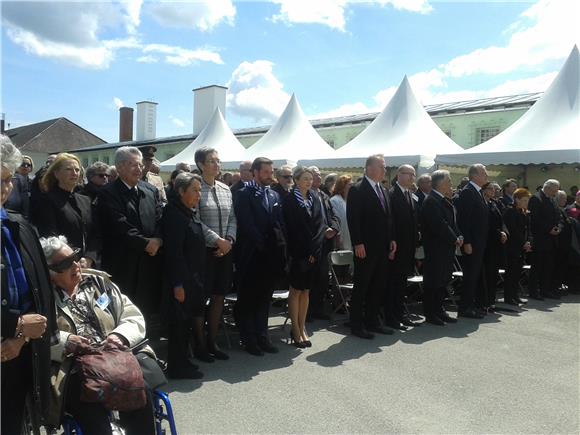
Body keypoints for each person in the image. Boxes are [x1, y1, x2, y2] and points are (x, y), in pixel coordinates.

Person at [40, 236, 158, 435]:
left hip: (117, 356)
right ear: (50, 272)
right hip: (73, 366)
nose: (76, 265)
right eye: (66, 264)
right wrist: (66, 341)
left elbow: (131, 314)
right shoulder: (42, 297)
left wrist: (120, 336)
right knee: (90, 404)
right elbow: (38, 335)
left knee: (140, 391)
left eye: (75, 258)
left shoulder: (98, 282)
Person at [1, 137, 57, 434]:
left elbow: (40, 290)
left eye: (8, 180)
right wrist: (15, 325)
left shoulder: (20, 225)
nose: (4, 189)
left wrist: (22, 336)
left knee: (17, 421)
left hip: (25, 349)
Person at [96, 146, 164, 327]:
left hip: (150, 261)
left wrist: (158, 240)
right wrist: (145, 244)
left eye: (140, 165)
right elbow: (120, 225)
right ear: (119, 168)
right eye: (132, 164)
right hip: (123, 263)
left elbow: (159, 219)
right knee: (122, 309)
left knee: (145, 307)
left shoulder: (150, 190)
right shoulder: (107, 193)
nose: (138, 169)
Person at [233, 157, 286, 356]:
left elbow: (279, 223)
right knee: (248, 298)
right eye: (266, 172)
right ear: (255, 172)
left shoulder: (273, 195)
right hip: (251, 254)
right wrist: (262, 244)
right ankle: (249, 339)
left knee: (264, 298)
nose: (270, 175)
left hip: (269, 256)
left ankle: (263, 336)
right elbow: (246, 224)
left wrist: (278, 247)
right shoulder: (244, 194)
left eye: (271, 172)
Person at [161, 173, 205, 379]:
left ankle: (184, 361)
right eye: (195, 190)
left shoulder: (188, 212)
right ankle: (177, 366)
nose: (199, 194)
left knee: (185, 323)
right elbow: (173, 253)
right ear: (180, 191)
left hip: (192, 278)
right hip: (180, 280)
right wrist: (178, 284)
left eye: (200, 190)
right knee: (178, 325)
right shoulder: (173, 215)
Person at [346, 154, 396, 339]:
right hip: (365, 248)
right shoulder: (358, 189)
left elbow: (388, 217)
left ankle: (372, 321)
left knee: (378, 286)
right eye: (381, 166)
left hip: (382, 247)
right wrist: (357, 242)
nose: (385, 169)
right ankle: (356, 324)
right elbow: (354, 219)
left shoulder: (383, 190)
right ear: (369, 168)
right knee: (362, 286)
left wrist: (392, 239)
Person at [194, 147, 236, 362]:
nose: (217, 165)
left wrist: (228, 240)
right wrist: (217, 241)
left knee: (219, 295)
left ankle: (213, 340)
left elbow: (232, 218)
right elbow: (196, 220)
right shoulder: (195, 187)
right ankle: (199, 344)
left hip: (225, 252)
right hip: (204, 253)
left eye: (219, 161)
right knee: (201, 299)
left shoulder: (225, 188)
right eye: (212, 161)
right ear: (201, 164)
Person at [31, 153, 100, 268]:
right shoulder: (46, 200)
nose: (74, 173)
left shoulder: (85, 200)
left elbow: (95, 233)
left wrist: (89, 258)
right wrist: (72, 259)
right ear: (56, 174)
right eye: (68, 169)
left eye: (77, 169)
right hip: (63, 266)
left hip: (87, 265)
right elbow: (50, 236)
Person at [283, 167, 325, 347]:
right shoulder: (289, 200)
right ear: (296, 180)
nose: (309, 181)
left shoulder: (315, 197)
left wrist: (314, 251)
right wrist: (304, 252)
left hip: (313, 254)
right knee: (295, 291)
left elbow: (320, 225)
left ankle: (302, 326)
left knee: (306, 291)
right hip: (298, 254)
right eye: (305, 178)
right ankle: (295, 329)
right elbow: (290, 229)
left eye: (311, 178)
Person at [420, 170, 463, 325]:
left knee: (443, 280)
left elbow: (452, 223)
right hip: (436, 248)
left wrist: (459, 235)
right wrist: (454, 238)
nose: (451, 184)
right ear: (440, 183)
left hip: (446, 248)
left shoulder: (444, 200)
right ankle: (431, 313)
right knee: (433, 281)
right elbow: (439, 225)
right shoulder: (431, 201)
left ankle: (439, 310)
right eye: (449, 181)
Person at [386, 165, 420, 330]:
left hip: (408, 247)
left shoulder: (409, 194)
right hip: (397, 248)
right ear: (399, 175)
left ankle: (400, 314)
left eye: (414, 175)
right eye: (409, 175)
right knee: (393, 283)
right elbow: (391, 221)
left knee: (401, 284)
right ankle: (391, 317)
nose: (413, 178)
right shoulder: (392, 194)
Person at [455, 164, 489, 319]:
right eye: (484, 173)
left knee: (475, 275)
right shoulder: (468, 192)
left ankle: (473, 304)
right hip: (472, 242)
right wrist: (467, 242)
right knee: (470, 275)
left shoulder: (478, 192)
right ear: (474, 175)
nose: (486, 176)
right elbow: (464, 220)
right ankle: (465, 307)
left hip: (479, 241)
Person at [307, 166, 340, 321]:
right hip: (313, 243)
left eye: (320, 175)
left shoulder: (324, 195)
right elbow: (311, 220)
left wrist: (334, 228)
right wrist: (323, 230)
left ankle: (318, 308)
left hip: (326, 242)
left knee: (322, 278)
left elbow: (333, 215)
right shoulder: (305, 196)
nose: (318, 178)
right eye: (315, 175)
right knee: (310, 278)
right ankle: (306, 311)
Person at [527, 179, 561, 300]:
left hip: (551, 240)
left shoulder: (552, 199)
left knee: (548, 266)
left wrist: (558, 227)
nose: (555, 194)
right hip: (540, 239)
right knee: (537, 267)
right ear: (547, 188)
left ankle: (545, 290)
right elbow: (535, 219)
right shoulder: (536, 198)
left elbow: (558, 215)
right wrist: (548, 229)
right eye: (554, 191)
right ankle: (534, 292)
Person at [502, 188, 532, 305]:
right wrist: (523, 242)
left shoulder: (523, 211)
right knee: (511, 273)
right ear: (516, 199)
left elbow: (527, 229)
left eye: (527, 200)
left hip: (521, 246)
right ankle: (508, 297)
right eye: (524, 200)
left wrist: (528, 242)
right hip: (512, 247)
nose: (526, 202)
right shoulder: (510, 211)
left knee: (517, 273)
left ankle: (515, 295)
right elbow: (513, 230)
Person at [481, 182, 508, 311]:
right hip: (488, 243)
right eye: (490, 189)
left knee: (493, 274)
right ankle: (485, 301)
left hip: (496, 243)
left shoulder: (494, 203)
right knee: (487, 274)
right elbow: (488, 224)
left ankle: (491, 301)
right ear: (484, 190)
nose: (494, 191)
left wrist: (504, 232)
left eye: (495, 189)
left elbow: (500, 221)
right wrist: (499, 233)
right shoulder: (483, 204)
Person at [329, 174, 353, 250]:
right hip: (341, 242)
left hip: (351, 241)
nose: (352, 187)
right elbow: (336, 222)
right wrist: (338, 242)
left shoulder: (350, 201)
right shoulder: (335, 200)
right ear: (342, 187)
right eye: (350, 185)